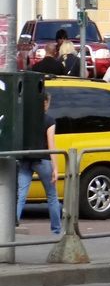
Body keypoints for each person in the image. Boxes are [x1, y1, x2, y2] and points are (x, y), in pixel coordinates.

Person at [16, 93, 61, 234]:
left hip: (25, 160)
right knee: (52, 196)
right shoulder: (49, 120)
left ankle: (13, 224)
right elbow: (51, 145)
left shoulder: (25, 118)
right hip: (43, 160)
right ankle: (56, 230)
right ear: (45, 102)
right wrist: (56, 168)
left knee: (20, 195)